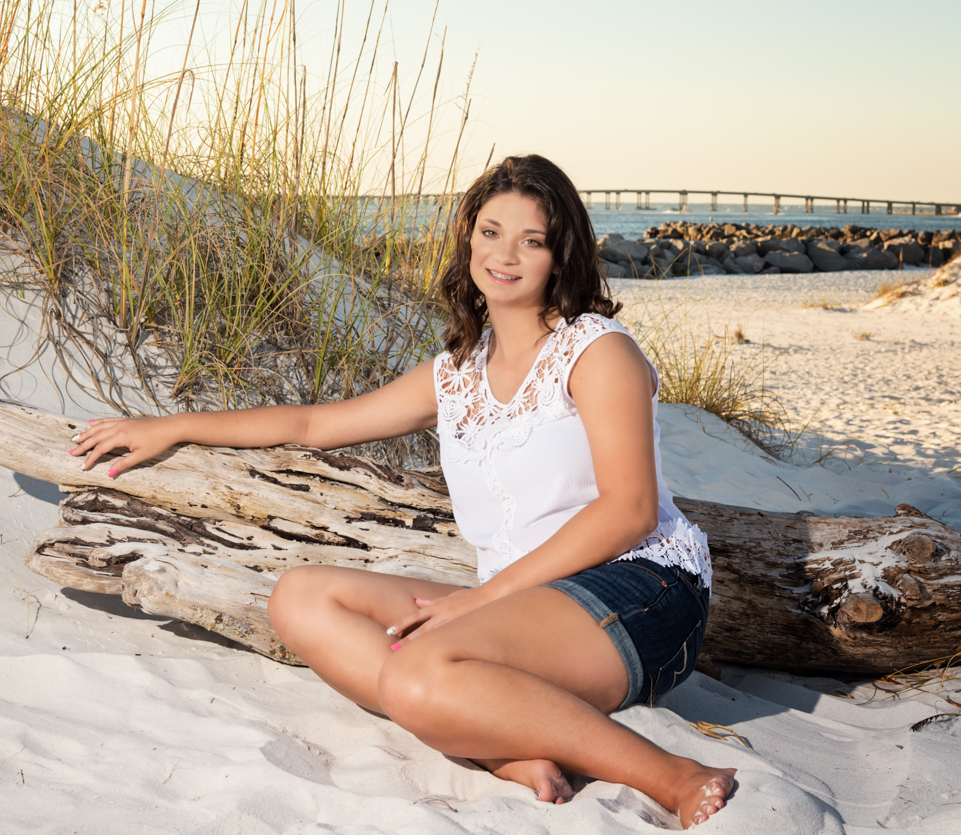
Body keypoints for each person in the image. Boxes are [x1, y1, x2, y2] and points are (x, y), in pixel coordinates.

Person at [67, 154, 736, 827]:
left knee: (415, 671)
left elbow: (629, 509)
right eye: (490, 232)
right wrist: (173, 426)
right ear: (467, 238)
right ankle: (498, 749)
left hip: (640, 590)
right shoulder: (456, 372)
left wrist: (478, 601)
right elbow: (314, 423)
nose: (505, 254)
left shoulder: (596, 350)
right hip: (519, 601)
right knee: (300, 597)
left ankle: (673, 773)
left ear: (559, 255)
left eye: (531, 240)